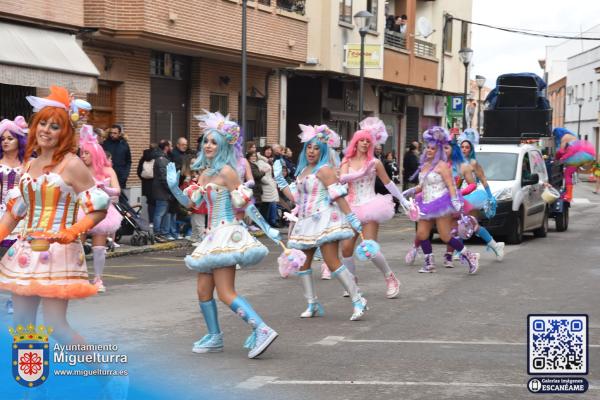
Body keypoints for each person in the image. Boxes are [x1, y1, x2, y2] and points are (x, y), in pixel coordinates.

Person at [0, 86, 109, 345]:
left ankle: (107, 376)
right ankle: (33, 384)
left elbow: (99, 207)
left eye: (54, 126)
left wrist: (73, 231)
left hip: (58, 251)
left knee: (56, 327)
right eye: (43, 124)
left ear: (65, 132)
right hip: (26, 251)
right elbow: (15, 212)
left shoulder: (72, 164)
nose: (46, 131)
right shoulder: (29, 164)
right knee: (22, 325)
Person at [166, 111, 280, 358]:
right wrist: (174, 188)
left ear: (224, 145)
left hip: (226, 233)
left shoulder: (228, 171)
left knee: (226, 292)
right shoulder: (205, 174)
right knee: (203, 291)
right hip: (211, 235)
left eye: (213, 141)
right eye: (206, 140)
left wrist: (266, 228)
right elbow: (190, 204)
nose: (208, 145)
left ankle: (261, 328)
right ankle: (215, 336)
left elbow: (245, 204)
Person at [274, 124, 368, 321]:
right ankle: (312, 303)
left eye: (316, 148)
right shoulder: (302, 171)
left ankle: (358, 299)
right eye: (309, 147)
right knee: (303, 263)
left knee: (332, 262)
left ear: (323, 151)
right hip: (306, 221)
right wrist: (281, 183)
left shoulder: (324, 170)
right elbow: (296, 200)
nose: (311, 151)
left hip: (325, 218)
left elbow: (338, 196)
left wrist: (351, 217)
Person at [339, 118, 408, 299]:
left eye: (368, 141)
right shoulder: (346, 161)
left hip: (370, 206)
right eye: (362, 140)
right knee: (346, 249)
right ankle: (352, 283)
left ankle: (390, 277)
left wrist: (402, 200)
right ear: (356, 141)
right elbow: (342, 181)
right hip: (351, 207)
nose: (364, 143)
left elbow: (388, 183)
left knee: (369, 248)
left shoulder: (375, 163)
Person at [402, 126, 479, 274]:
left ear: (438, 150)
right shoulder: (424, 165)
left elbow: (450, 184)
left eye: (433, 148)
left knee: (445, 236)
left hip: (441, 203)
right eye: (427, 148)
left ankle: (470, 256)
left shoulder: (443, 166)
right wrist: (412, 190)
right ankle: (429, 262)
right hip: (425, 203)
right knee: (422, 234)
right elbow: (422, 185)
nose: (429, 151)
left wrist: (455, 200)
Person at [78, 126, 123, 292]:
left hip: (103, 210)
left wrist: (105, 189)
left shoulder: (107, 170)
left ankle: (98, 279)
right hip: (82, 209)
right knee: (77, 246)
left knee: (99, 248)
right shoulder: (79, 170)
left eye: (86, 153)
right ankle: (79, 278)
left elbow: (117, 190)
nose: (83, 156)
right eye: (81, 152)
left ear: (95, 153)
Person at [457, 129, 504, 260]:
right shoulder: (458, 164)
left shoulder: (473, 163)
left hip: (474, 195)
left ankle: (459, 250)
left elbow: (483, 179)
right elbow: (458, 182)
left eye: (467, 147)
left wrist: (490, 196)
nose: (464, 149)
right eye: (462, 147)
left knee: (466, 222)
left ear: (471, 149)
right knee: (468, 224)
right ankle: (495, 245)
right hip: (462, 196)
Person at [0, 116, 27, 315]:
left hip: (20, 215)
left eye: (10, 137)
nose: (6, 141)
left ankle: (13, 298)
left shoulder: (28, 164)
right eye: (3, 138)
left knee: (17, 257)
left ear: (19, 140)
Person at [553, 127, 596, 201]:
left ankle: (569, 195)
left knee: (567, 174)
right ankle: (567, 193)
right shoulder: (571, 136)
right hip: (585, 154)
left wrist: (556, 158)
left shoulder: (564, 138)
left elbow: (561, 151)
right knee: (569, 173)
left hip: (577, 157)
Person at [152, 140, 174, 242]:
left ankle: (162, 233)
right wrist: (170, 188)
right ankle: (157, 234)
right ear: (166, 147)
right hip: (162, 191)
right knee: (160, 213)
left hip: (163, 191)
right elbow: (163, 176)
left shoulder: (163, 158)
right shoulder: (161, 159)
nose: (172, 148)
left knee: (163, 213)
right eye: (170, 146)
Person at [102, 124, 131, 190]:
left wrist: (125, 175)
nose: (112, 135)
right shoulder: (105, 143)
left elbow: (129, 161)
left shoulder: (124, 144)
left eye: (115, 133)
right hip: (108, 176)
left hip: (121, 177)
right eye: (111, 133)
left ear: (119, 134)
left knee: (121, 198)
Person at [137, 143, 158, 223]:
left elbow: (139, 172)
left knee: (150, 203)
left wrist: (144, 179)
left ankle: (151, 221)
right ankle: (156, 221)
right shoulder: (157, 157)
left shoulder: (143, 158)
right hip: (155, 184)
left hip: (146, 185)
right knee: (157, 203)